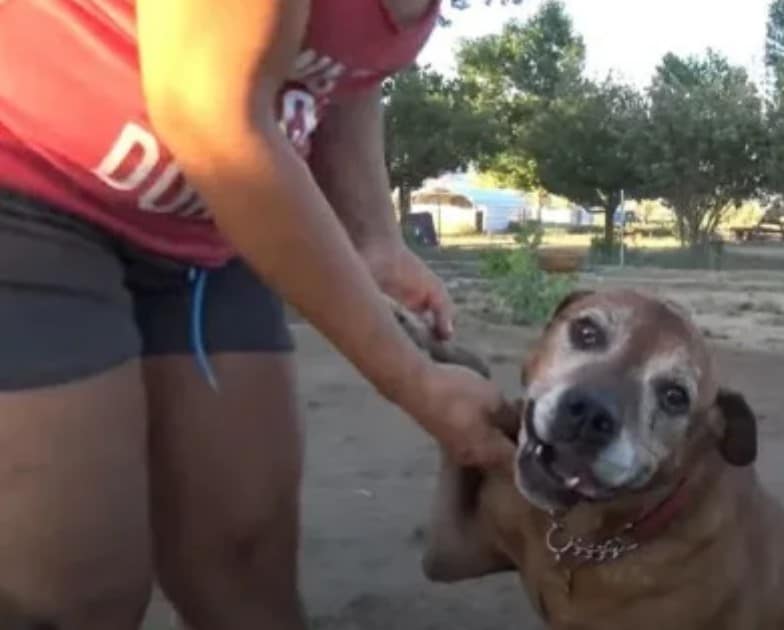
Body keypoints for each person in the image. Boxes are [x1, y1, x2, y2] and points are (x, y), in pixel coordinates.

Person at [0, 1, 515, 629]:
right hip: (26, 182)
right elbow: (208, 117)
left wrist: (374, 236)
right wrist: (414, 380)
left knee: (243, 564)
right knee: (72, 592)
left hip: (211, 231)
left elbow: (346, 73)